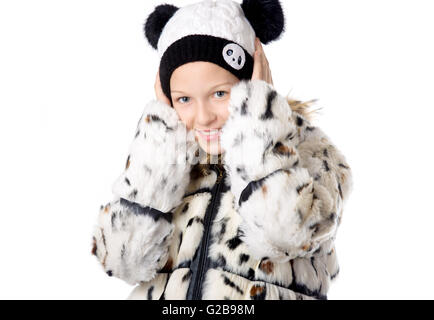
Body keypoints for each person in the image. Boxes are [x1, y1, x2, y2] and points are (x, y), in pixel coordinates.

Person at [91, 0, 353, 300]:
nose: (203, 117)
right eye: (184, 99)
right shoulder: (170, 160)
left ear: (252, 80)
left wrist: (257, 126)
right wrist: (157, 155)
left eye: (219, 93)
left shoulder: (309, 151)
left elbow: (286, 234)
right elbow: (122, 262)